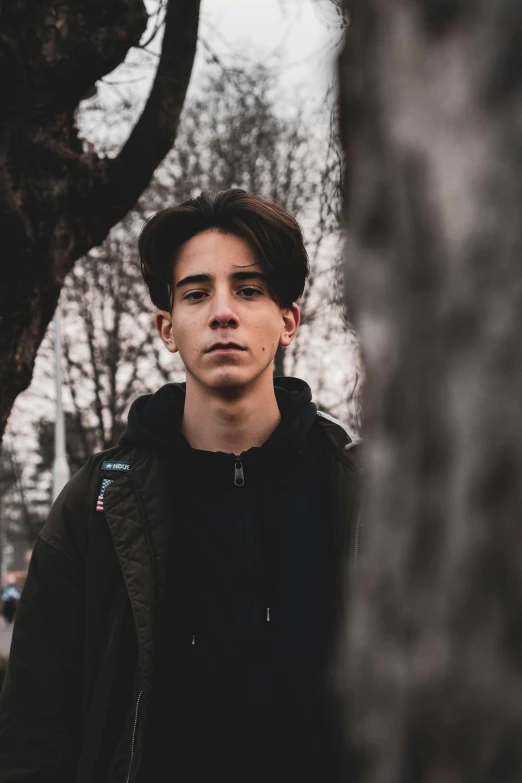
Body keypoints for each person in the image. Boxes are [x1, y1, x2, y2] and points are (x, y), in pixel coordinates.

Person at [0, 189, 361, 782]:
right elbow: (35, 733)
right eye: (197, 293)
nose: (223, 311)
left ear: (288, 320)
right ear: (168, 328)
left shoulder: (360, 492)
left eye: (248, 289)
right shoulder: (98, 506)